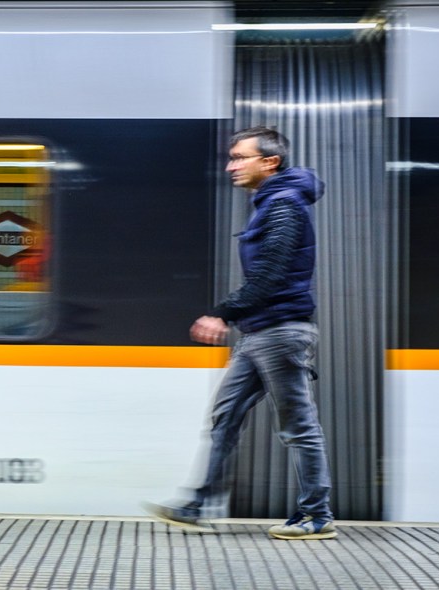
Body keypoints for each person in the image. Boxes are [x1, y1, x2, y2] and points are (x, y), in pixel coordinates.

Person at [143, 127, 336, 540]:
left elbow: (272, 273)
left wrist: (221, 314)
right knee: (224, 418)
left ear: (270, 162)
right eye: (231, 158)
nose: (231, 165)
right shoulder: (269, 202)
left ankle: (317, 516)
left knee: (298, 426)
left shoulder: (284, 204)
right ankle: (198, 502)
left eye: (240, 157)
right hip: (259, 332)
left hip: (281, 332)